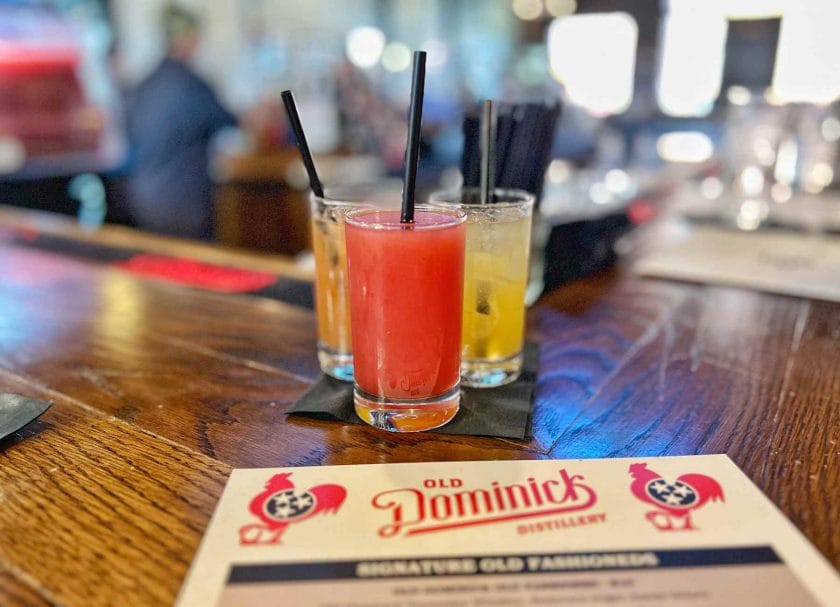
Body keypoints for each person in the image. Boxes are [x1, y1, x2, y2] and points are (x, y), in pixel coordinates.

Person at [125, 5, 236, 240]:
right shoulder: (192, 84)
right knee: (200, 271)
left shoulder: (143, 84)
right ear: (186, 38)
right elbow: (229, 121)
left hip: (144, 200)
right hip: (185, 204)